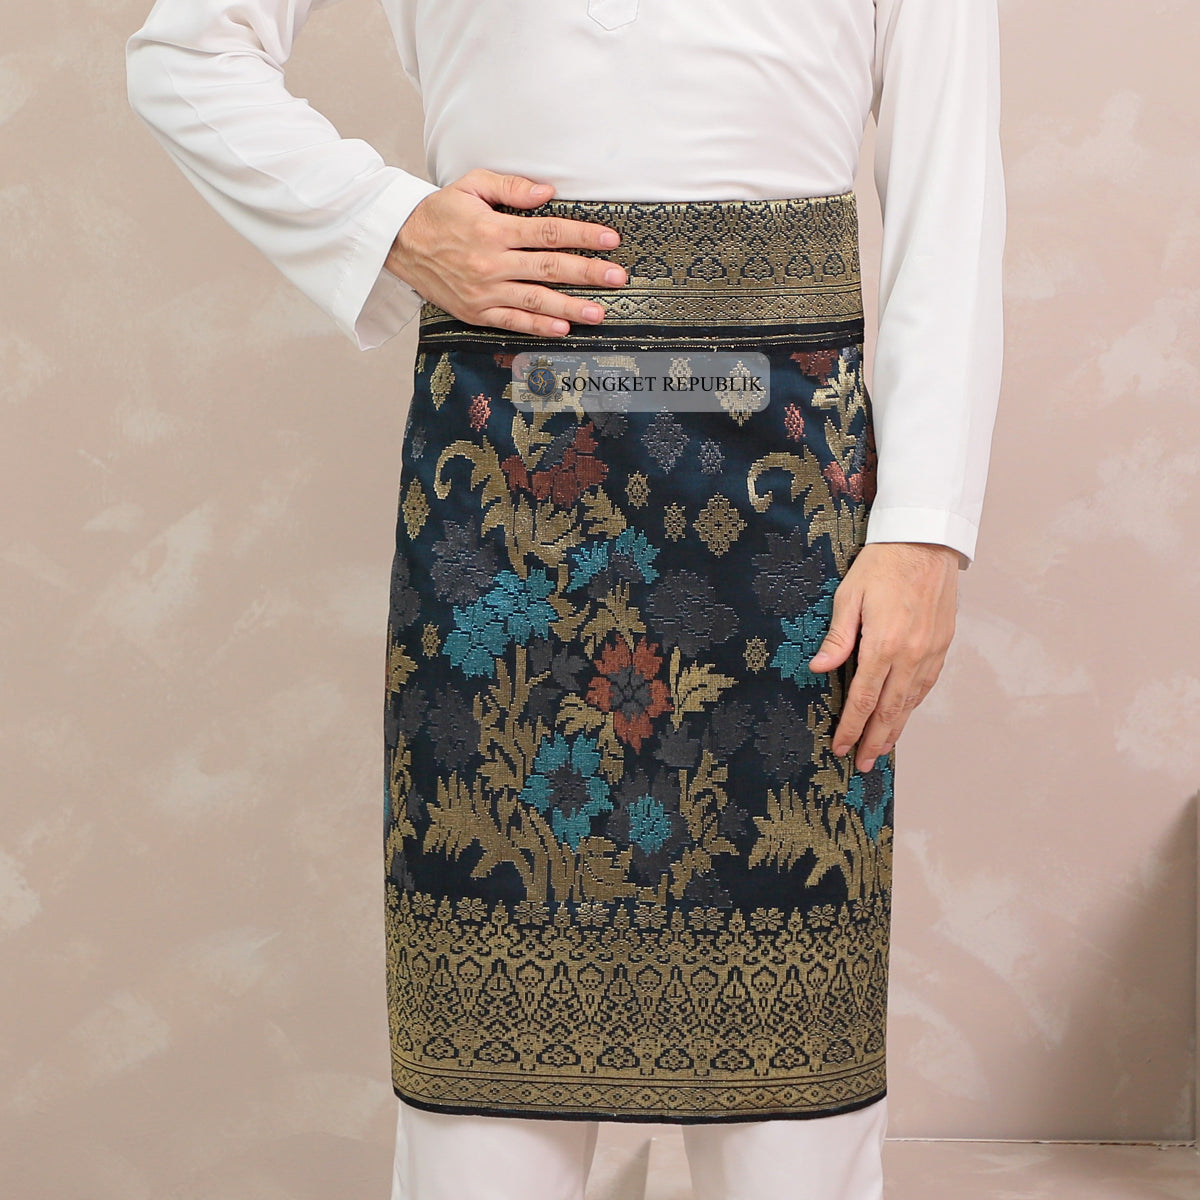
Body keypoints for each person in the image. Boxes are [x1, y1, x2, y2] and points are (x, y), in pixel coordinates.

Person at [124, 2, 1005, 1198]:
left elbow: (950, 192)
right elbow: (190, 51)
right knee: (482, 1135)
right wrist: (390, 220)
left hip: (788, 516)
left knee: (791, 1130)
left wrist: (927, 530)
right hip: (502, 492)